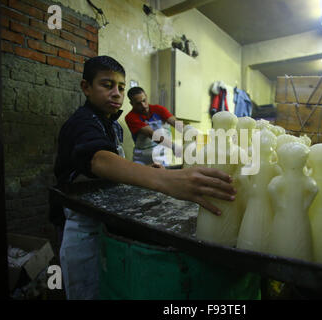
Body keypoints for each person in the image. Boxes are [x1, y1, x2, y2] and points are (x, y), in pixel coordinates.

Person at [52, 56, 236, 300]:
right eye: (107, 85)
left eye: (120, 86)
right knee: (88, 291)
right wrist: (169, 180)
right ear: (86, 87)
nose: (116, 93)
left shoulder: (113, 124)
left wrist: (191, 139)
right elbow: (99, 161)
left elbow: (114, 163)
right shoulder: (83, 123)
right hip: (81, 225)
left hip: (104, 218)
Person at [124, 87, 183, 166]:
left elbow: (176, 123)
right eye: (138, 103)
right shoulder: (130, 117)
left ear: (146, 97)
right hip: (142, 158)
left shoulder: (158, 109)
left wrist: (188, 131)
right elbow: (152, 135)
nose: (144, 106)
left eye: (144, 101)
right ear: (132, 103)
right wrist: (173, 146)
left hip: (161, 156)